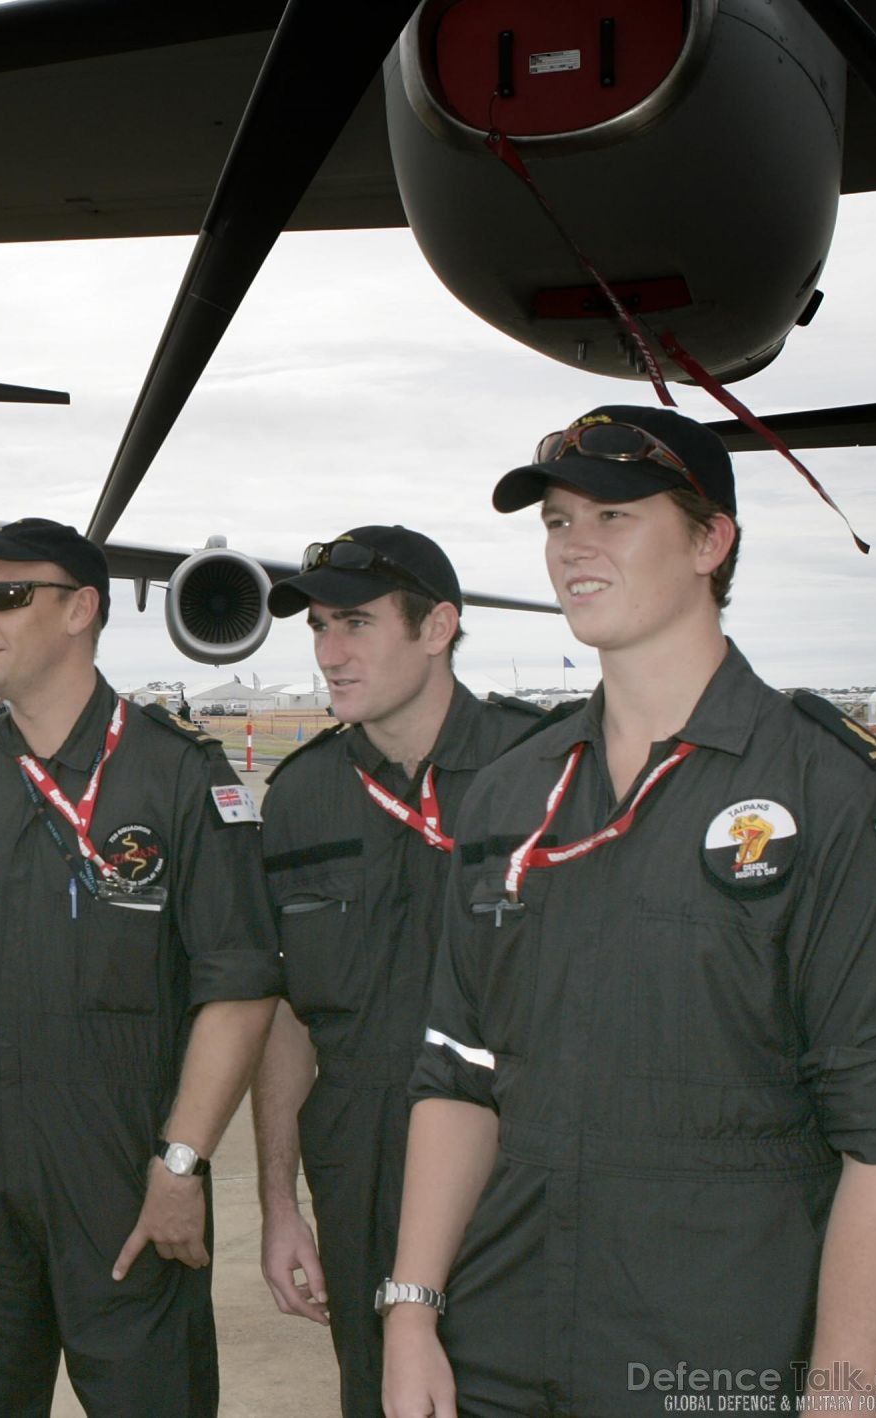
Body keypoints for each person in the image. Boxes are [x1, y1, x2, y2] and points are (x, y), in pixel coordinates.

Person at [384, 408, 876, 1416]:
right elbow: (455, 1068)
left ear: (709, 541)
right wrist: (409, 1310)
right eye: (557, 520)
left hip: (711, 1359)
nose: (573, 547)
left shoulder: (834, 799)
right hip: (499, 1350)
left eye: (611, 515)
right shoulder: (512, 794)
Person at [0, 517, 281, 1416]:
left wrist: (181, 1164)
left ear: (81, 612)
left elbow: (241, 987)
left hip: (120, 1160)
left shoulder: (177, 777)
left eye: (5, 597)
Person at [251, 526, 553, 1417]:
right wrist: (280, 1203)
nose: (328, 655)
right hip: (359, 1176)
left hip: (521, 1179)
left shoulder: (547, 769)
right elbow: (286, 1019)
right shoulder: (301, 798)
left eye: (354, 624)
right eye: (316, 628)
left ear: (438, 627)